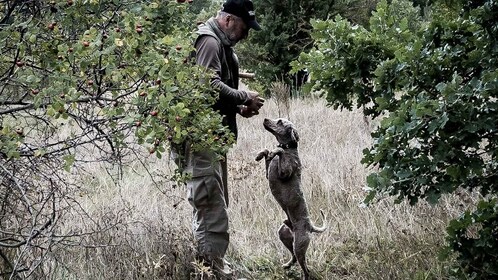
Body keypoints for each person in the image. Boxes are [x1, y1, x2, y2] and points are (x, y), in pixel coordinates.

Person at [175, 0, 264, 278]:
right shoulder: (210, 42)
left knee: (213, 203)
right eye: (243, 27)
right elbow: (207, 85)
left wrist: (238, 108)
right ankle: (212, 271)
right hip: (200, 141)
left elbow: (210, 98)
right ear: (228, 20)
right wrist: (243, 96)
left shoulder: (220, 44)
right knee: (211, 207)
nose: (246, 34)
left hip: (211, 139)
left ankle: (210, 266)